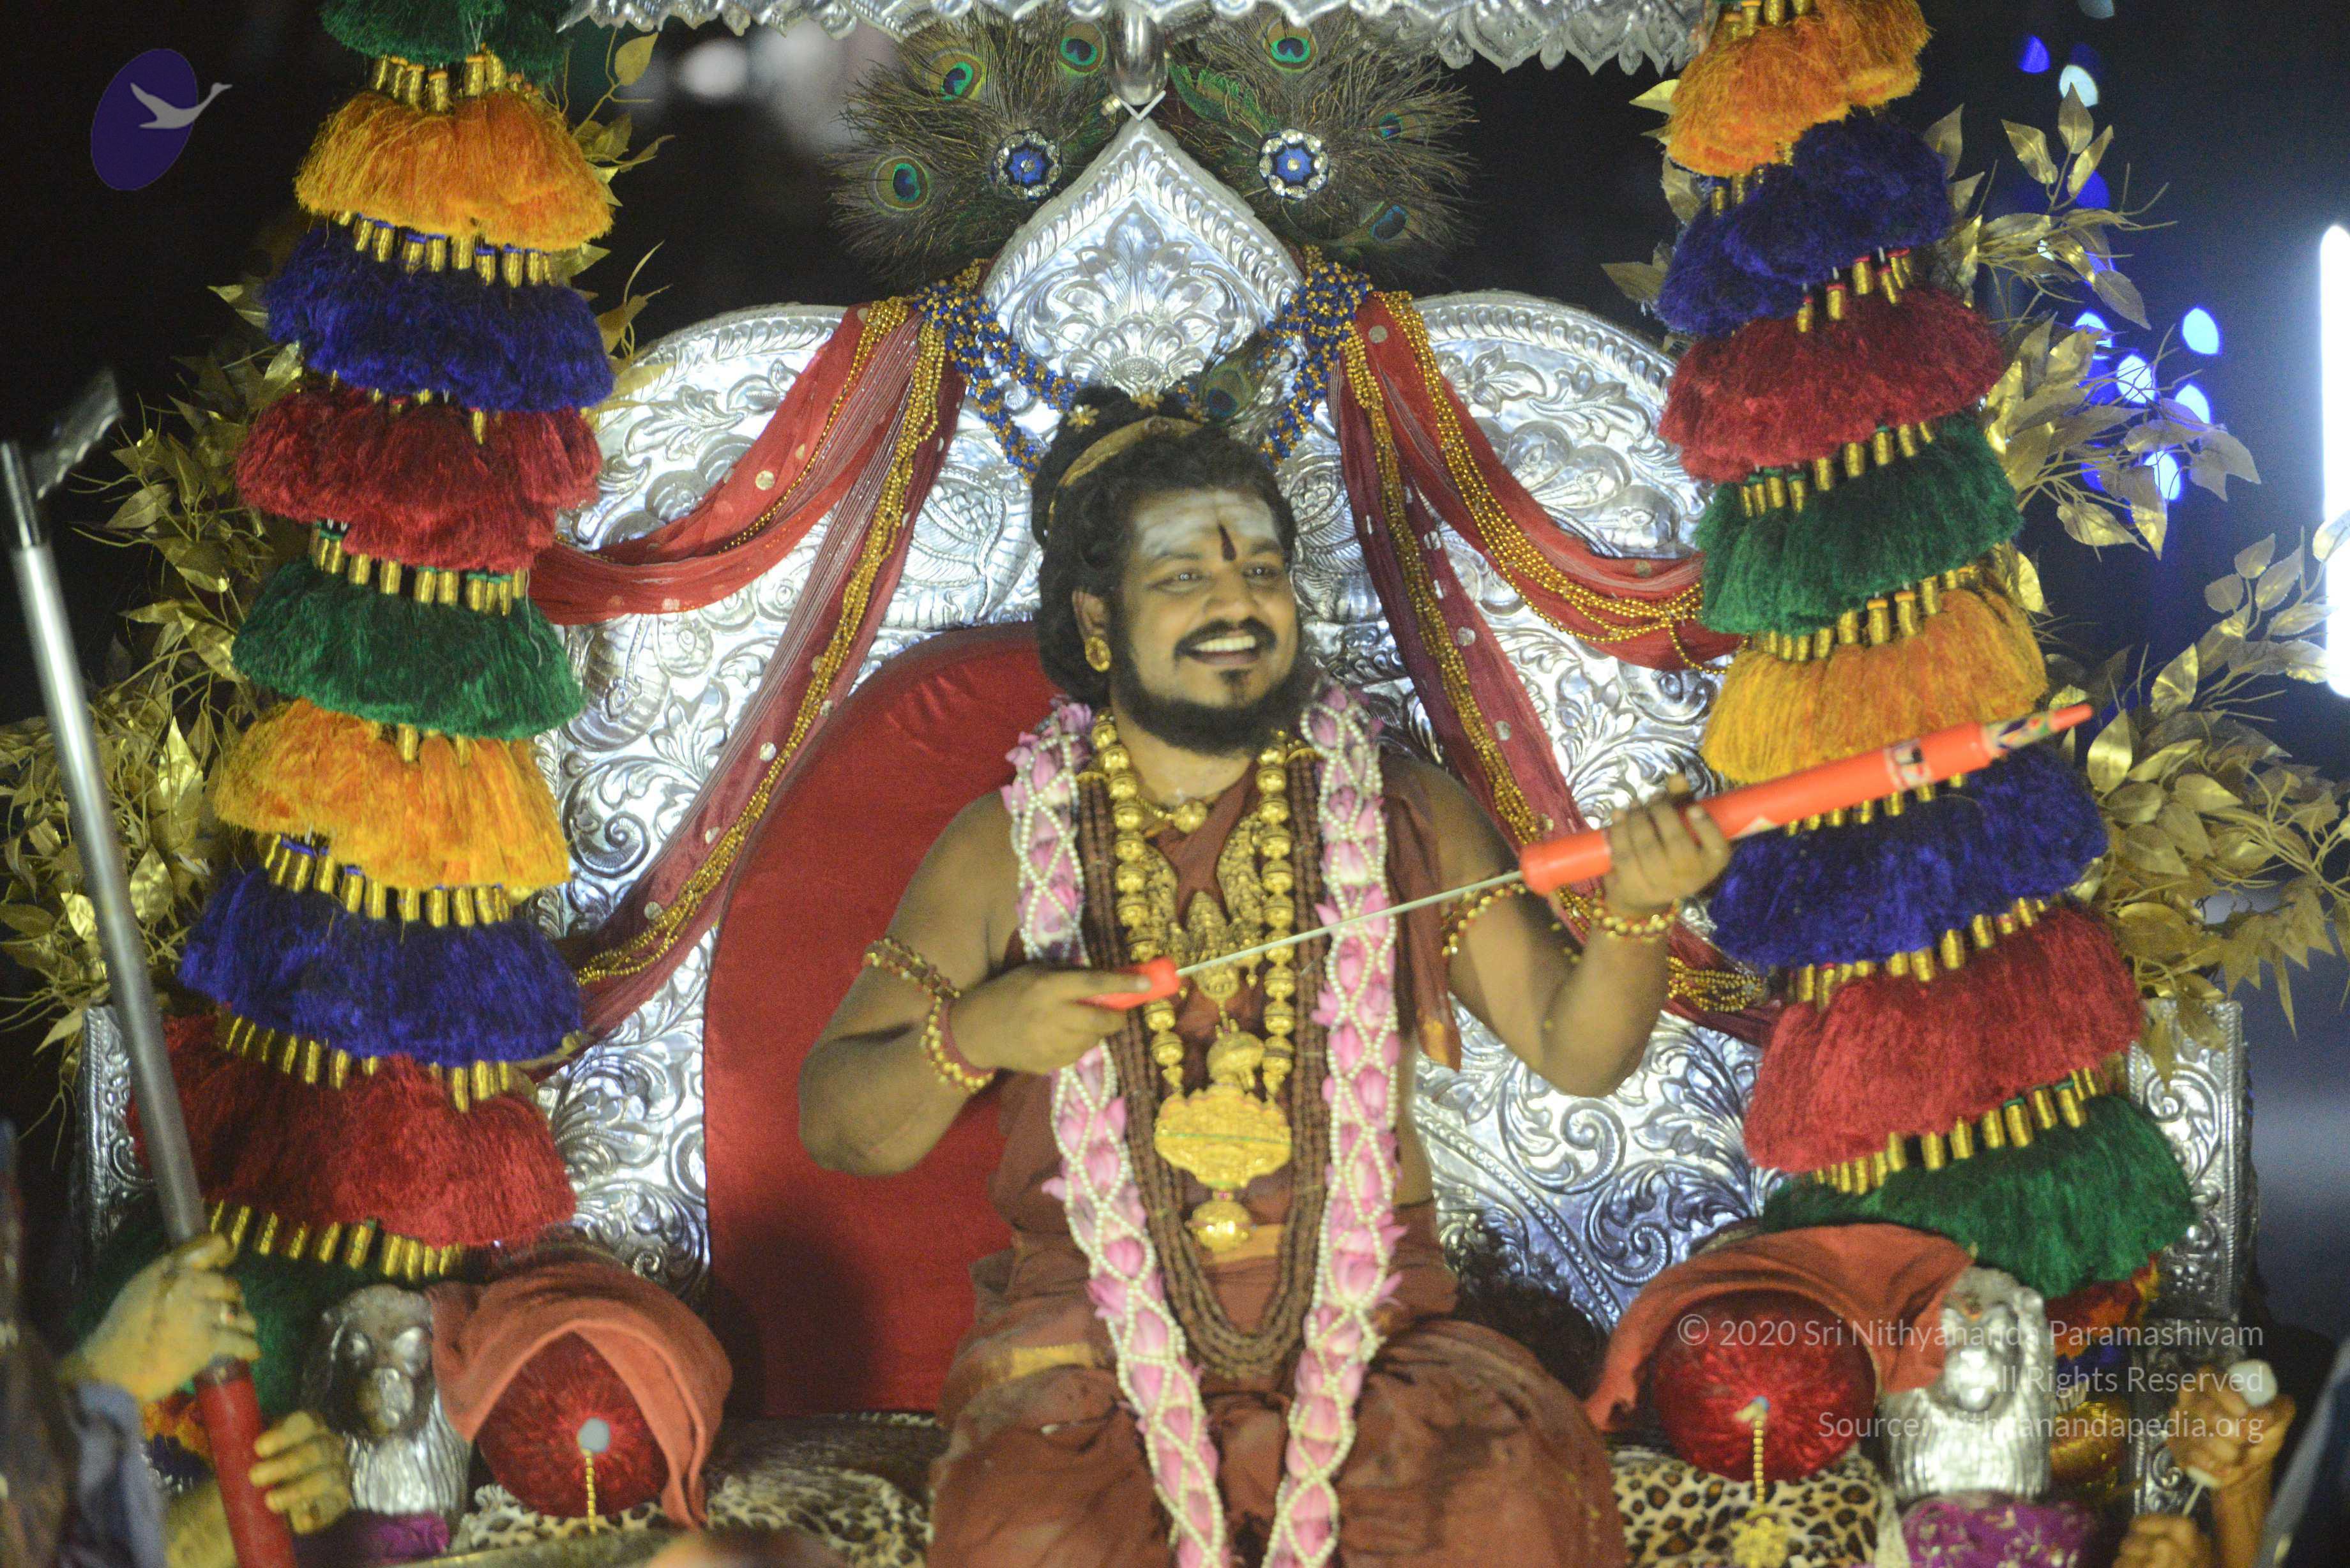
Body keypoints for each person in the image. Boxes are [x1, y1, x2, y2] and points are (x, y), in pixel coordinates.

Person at [801, 392, 1732, 1566]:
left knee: (1497, 1508)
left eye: (1261, 570)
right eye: (1184, 576)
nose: (1236, 604)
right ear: (1098, 619)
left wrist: (1639, 913)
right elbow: (837, 1124)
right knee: (1035, 1538)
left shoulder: (1395, 806)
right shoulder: (1006, 846)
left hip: (1378, 1340)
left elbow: (1576, 1048)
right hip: (1086, 1363)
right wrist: (975, 1036)